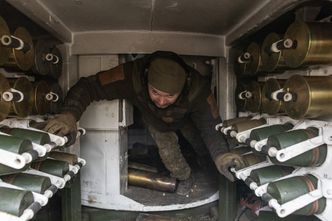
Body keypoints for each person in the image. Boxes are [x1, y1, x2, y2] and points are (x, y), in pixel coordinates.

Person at [44, 51, 244, 190]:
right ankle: (185, 178)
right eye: (155, 92)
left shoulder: (198, 89)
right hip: (156, 121)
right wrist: (69, 115)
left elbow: (211, 127)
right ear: (147, 80)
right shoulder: (131, 76)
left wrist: (221, 156)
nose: (162, 100)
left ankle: (208, 170)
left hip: (186, 116)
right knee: (169, 152)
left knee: (201, 143)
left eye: (169, 96)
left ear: (183, 89)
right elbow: (88, 86)